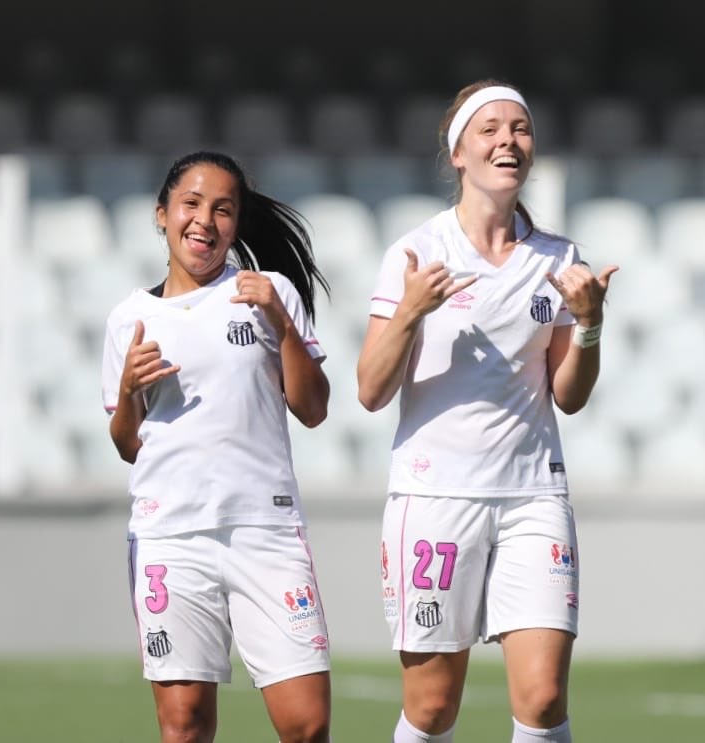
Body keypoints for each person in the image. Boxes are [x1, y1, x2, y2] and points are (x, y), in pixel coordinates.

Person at [357, 80, 618, 743]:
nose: (509, 139)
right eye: (491, 128)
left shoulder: (560, 259)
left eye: (521, 128)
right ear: (460, 153)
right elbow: (370, 389)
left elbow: (571, 394)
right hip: (434, 495)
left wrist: (587, 326)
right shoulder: (416, 255)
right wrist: (412, 310)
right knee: (433, 707)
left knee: (543, 696)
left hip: (534, 497)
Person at [101, 151, 333, 743]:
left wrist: (281, 324)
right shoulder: (129, 316)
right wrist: (128, 390)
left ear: (237, 223)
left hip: (265, 531)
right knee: (184, 727)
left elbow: (313, 408)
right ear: (162, 214)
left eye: (223, 209)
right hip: (170, 536)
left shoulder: (268, 293)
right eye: (192, 204)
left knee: (306, 725)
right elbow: (128, 444)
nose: (205, 220)